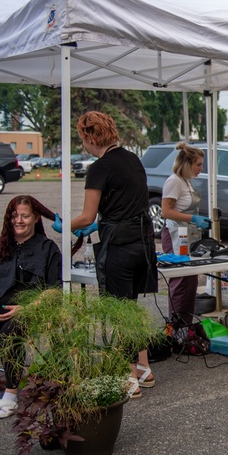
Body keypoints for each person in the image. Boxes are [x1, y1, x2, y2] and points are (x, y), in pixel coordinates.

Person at [67, 111, 158, 397]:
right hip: (142, 246)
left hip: (119, 249)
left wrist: (62, 226)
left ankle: (128, 379)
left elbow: (86, 216)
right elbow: (128, 206)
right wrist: (99, 222)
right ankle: (144, 369)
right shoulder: (133, 160)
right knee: (130, 310)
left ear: (89, 136)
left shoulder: (100, 167)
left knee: (118, 314)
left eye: (83, 138)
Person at [0, 195, 64, 418]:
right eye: (14, 216)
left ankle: (10, 394)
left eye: (25, 216)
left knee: (10, 333)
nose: (19, 221)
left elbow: (55, 288)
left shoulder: (47, 248)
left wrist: (30, 307)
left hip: (30, 311)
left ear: (36, 218)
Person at [160, 142, 210, 317]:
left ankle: (186, 324)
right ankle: (175, 325)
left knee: (190, 280)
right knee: (180, 280)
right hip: (174, 235)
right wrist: (192, 218)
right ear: (187, 164)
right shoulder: (174, 182)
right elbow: (166, 211)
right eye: (198, 164)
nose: (201, 168)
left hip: (187, 235)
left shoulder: (186, 182)